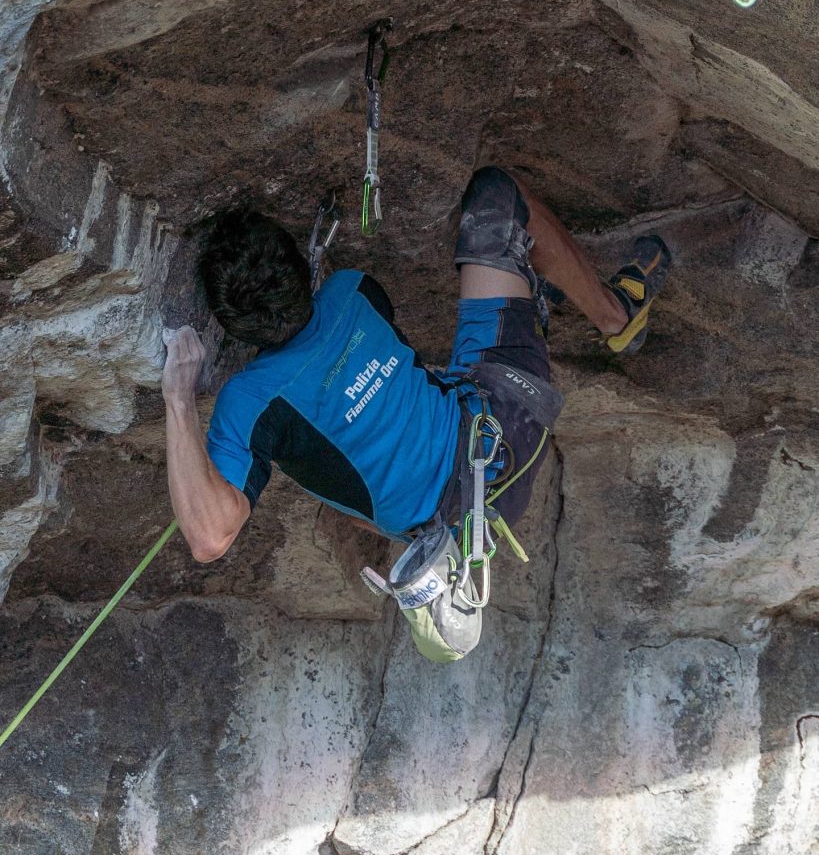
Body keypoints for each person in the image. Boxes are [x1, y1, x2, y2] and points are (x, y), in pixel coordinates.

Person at [162, 168, 671, 563]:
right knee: (497, 195)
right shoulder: (354, 291)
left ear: (233, 327)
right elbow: (208, 540)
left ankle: (538, 284)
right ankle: (612, 316)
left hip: (460, 519)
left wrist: (179, 399)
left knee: (346, 493)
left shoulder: (249, 403)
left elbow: (212, 538)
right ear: (298, 269)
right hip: (510, 419)